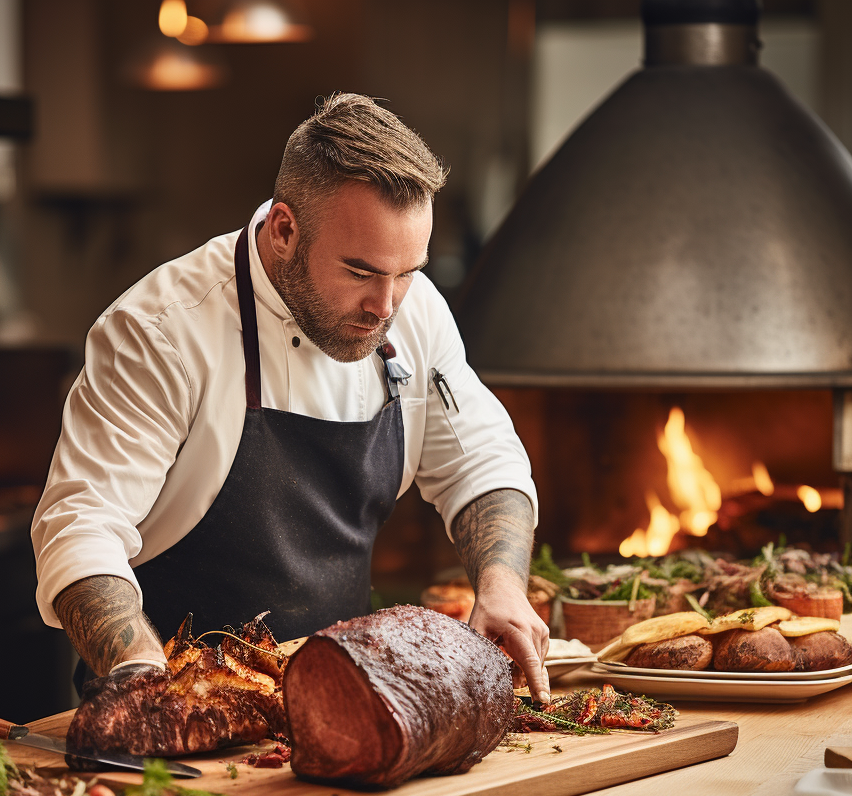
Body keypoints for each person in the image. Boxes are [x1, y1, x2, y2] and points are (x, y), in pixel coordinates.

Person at [32, 92, 550, 702]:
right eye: (360, 273)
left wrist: (503, 587)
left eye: (407, 272)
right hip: (180, 708)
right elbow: (80, 527)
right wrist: (144, 677)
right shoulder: (161, 331)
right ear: (284, 230)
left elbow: (482, 461)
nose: (386, 307)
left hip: (342, 701)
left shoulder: (416, 312)